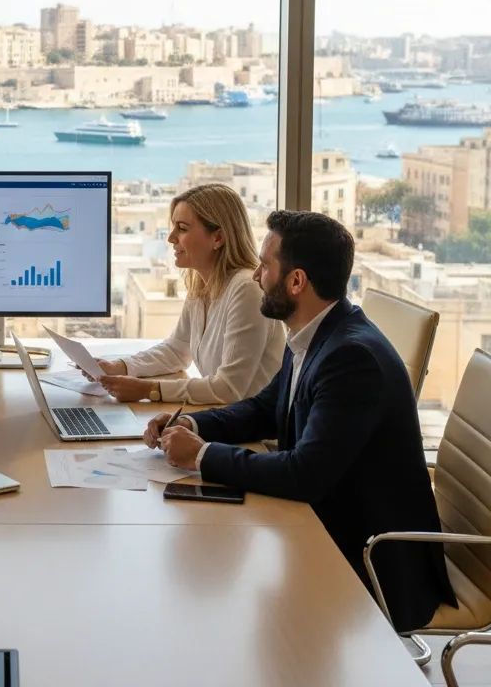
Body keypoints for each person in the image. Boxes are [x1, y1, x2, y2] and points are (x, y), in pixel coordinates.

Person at [148, 210, 456, 632]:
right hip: (326, 523)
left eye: (265, 265)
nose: (255, 275)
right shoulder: (316, 332)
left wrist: (201, 456)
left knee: (215, 602)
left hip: (371, 556)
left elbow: (305, 475)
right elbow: (262, 409)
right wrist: (195, 427)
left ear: (296, 282)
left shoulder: (351, 358)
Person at [93, 184, 284, 404]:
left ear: (218, 238)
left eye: (182, 228)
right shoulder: (201, 286)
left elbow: (228, 389)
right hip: (226, 421)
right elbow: (176, 350)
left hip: (254, 435)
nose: (171, 238)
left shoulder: (247, 289)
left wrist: (148, 390)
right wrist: (119, 366)